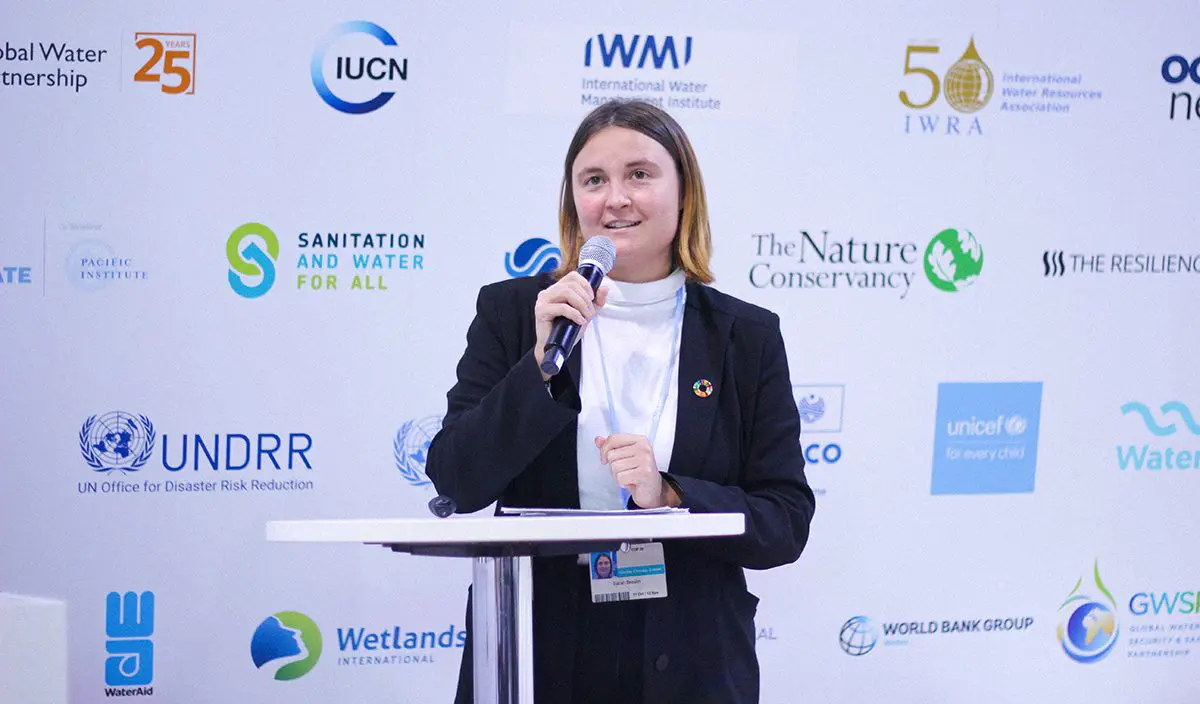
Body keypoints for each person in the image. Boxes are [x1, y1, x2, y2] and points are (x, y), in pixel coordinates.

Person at [425, 99, 815, 704]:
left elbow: (784, 521)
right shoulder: (515, 314)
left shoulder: (745, 337)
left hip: (689, 650)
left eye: (639, 174)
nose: (616, 198)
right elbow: (456, 479)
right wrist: (537, 368)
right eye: (594, 180)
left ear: (684, 193)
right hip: (538, 646)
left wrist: (673, 494)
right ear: (572, 200)